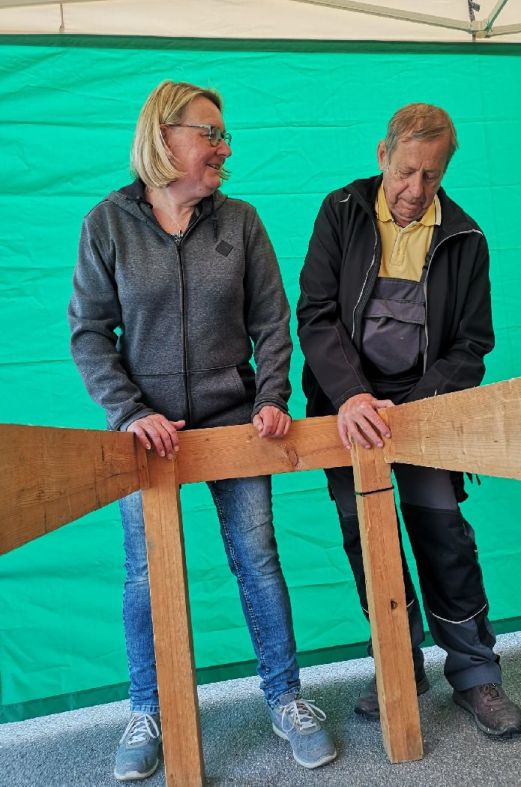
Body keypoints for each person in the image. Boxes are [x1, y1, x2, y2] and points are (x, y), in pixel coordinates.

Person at [68, 80, 336, 781]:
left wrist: (271, 397)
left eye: (223, 135)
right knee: (144, 574)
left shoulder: (240, 221)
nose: (224, 148)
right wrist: (131, 412)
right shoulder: (106, 224)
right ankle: (145, 708)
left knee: (258, 558)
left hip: (234, 421)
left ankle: (286, 697)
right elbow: (90, 334)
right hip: (142, 434)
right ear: (164, 137)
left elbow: (272, 321)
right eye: (210, 133)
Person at [297, 103, 521, 739]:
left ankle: (475, 673)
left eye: (431, 175)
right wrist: (353, 396)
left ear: (444, 171)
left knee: (444, 536)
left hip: (423, 409)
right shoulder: (341, 211)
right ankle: (399, 665)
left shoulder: (466, 238)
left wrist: (418, 406)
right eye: (404, 171)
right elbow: (315, 314)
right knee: (368, 542)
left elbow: (472, 344)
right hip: (347, 409)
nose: (415, 190)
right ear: (382, 156)